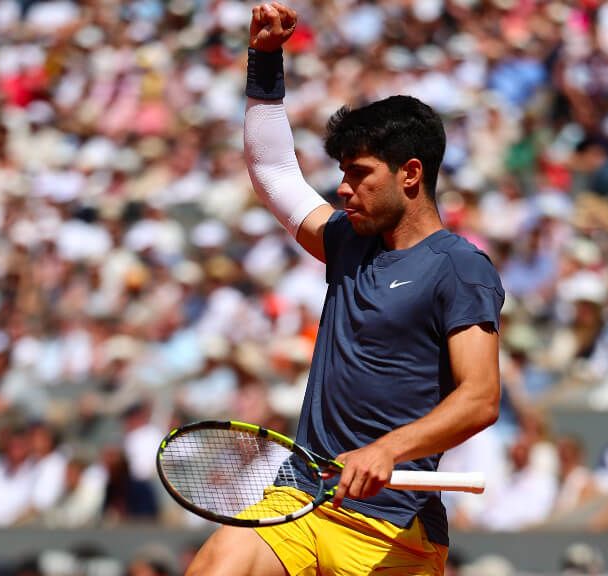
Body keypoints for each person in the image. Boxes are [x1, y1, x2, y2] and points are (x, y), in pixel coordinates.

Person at [186, 3, 503, 575]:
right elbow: (275, 174)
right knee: (218, 564)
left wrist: (388, 450)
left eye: (359, 174)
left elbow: (479, 398)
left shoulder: (460, 268)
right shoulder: (347, 242)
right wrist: (264, 59)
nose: (342, 187)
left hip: (394, 529)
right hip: (302, 500)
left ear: (410, 174)